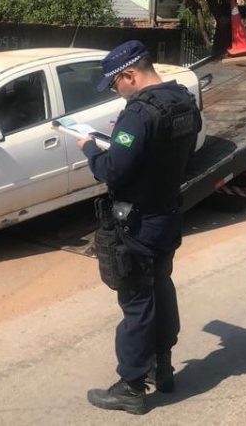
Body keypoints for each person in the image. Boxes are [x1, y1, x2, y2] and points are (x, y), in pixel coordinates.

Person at [77, 40, 201, 415]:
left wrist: (90, 149)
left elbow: (112, 170)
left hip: (137, 223)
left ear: (130, 75)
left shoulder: (138, 114)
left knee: (136, 300)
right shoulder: (182, 101)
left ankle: (131, 386)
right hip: (168, 214)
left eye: (115, 84)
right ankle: (162, 368)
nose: (116, 91)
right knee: (161, 287)